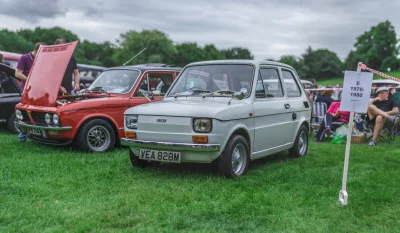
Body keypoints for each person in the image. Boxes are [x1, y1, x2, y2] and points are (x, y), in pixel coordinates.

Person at [15, 42, 45, 142]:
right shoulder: (24, 58)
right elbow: (18, 73)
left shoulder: (41, 60)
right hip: (27, 91)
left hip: (39, 92)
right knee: (24, 114)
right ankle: (22, 136)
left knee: (36, 115)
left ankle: (35, 137)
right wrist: (29, 80)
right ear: (37, 50)